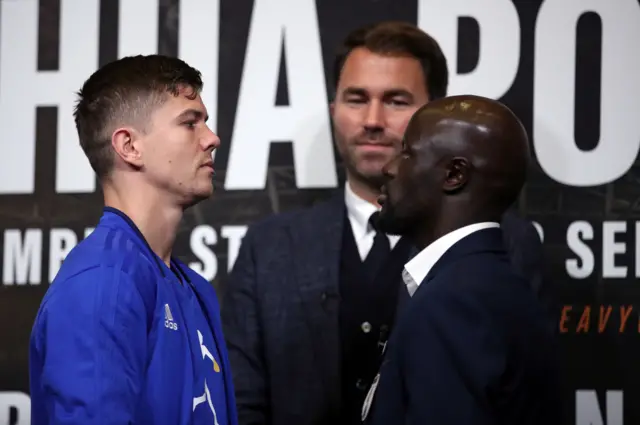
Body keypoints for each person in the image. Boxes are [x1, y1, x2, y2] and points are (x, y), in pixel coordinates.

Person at [221, 21, 547, 425]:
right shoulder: (269, 247)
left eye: (396, 101)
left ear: (435, 116)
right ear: (333, 110)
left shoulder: (508, 244)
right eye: (356, 99)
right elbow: (239, 401)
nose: (373, 120)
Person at [29, 54, 238, 425]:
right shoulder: (102, 283)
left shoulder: (194, 288)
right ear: (129, 146)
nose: (212, 138)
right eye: (190, 123)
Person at [362, 94, 562, 425]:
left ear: (454, 175)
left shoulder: (454, 302)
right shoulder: (491, 285)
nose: (388, 167)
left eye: (408, 153)